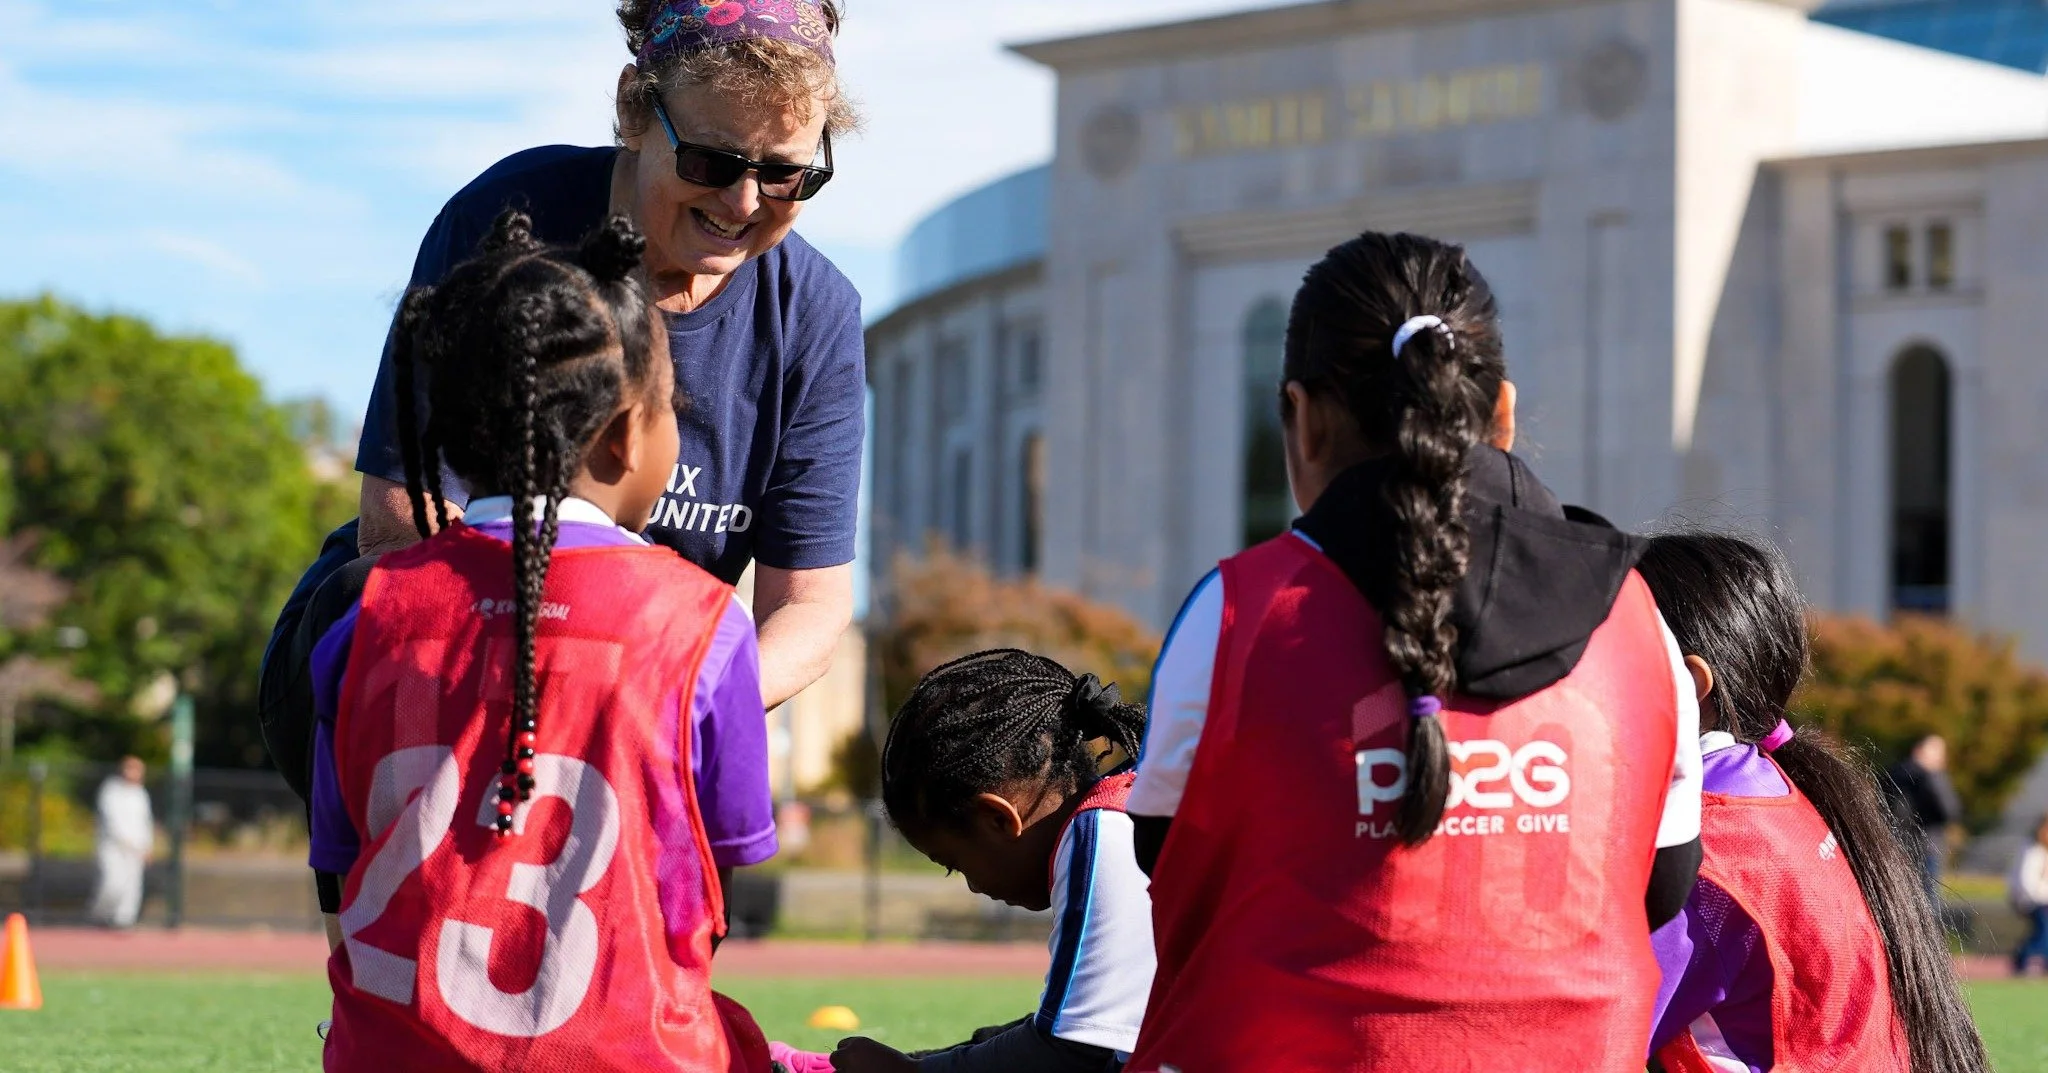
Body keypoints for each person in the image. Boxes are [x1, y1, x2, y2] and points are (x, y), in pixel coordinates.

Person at [261, 0, 865, 820]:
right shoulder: (511, 220)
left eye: (787, 173)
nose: (744, 201)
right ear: (631, 111)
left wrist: (669, 693)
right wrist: (566, 682)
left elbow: (811, 607)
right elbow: (401, 520)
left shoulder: (818, 313)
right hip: (430, 660)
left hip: (640, 706)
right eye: (712, 162)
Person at [1122, 232, 1704, 1073]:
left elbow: (1166, 854)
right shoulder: (1640, 615)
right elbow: (1663, 884)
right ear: (1501, 412)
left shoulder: (1239, 613)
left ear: (1304, 417)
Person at [313, 212, 773, 1072]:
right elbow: (708, 890)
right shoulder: (703, 622)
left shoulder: (364, 614)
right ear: (624, 434)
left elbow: (343, 874)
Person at [1636, 532, 1987, 1073]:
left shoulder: (1700, 844)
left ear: (1689, 683)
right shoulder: (1773, 790)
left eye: (1605, 654)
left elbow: (1593, 1034)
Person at [820, 650, 1153, 1073]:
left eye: (954, 863)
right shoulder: (1121, 809)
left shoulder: (1104, 835)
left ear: (997, 818)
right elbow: (1085, 1028)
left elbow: (1070, 1054)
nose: (973, 887)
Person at [1887, 733, 1963, 909]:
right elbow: (1950, 811)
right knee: (1926, 901)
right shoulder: (1926, 777)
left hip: (1907, 845)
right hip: (1924, 846)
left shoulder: (1897, 773)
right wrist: (1935, 776)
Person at [86, 756, 152, 929]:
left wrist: (146, 846)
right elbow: (112, 821)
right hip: (113, 847)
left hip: (136, 849)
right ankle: (101, 915)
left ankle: (123, 921)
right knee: (112, 883)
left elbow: (145, 822)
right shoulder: (111, 791)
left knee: (132, 887)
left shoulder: (140, 793)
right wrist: (127, 842)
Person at [2012, 813, 2048, 977]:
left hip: (2041, 899)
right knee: (2044, 928)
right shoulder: (2032, 850)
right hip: (2029, 900)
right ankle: (2023, 957)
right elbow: (2026, 883)